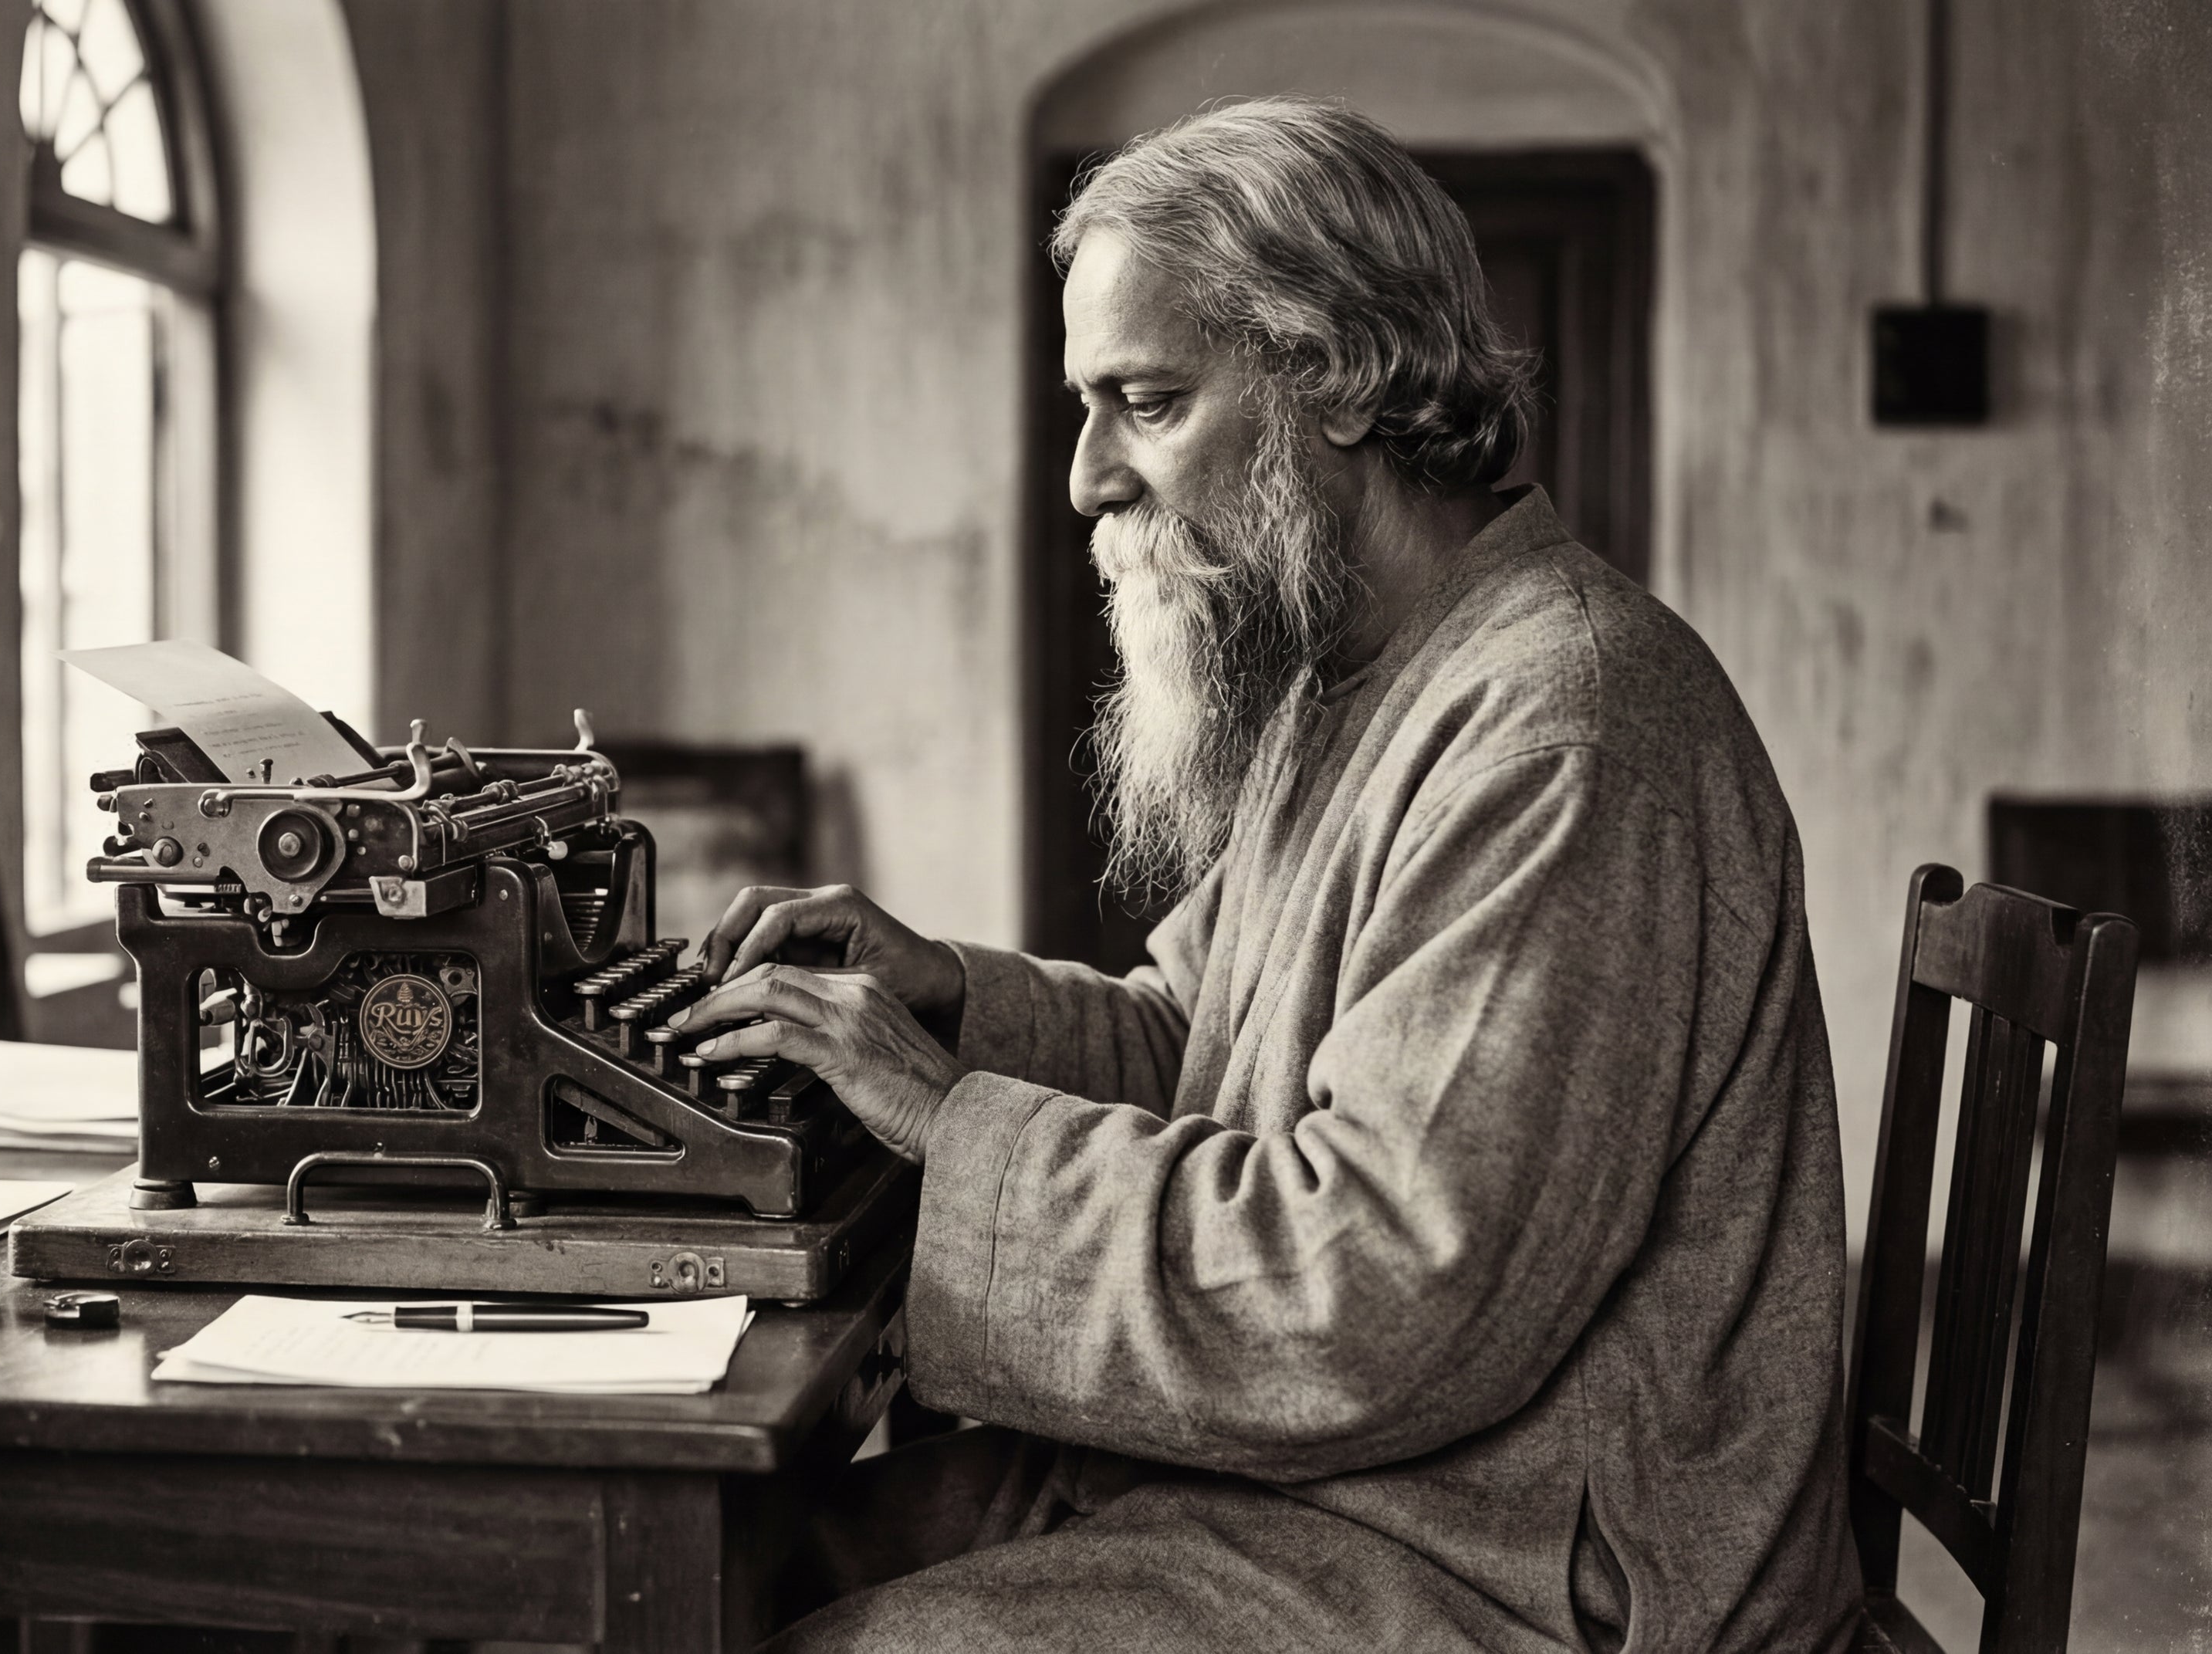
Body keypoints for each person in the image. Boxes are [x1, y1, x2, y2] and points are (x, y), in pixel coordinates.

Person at [669, 97, 1864, 1652]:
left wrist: (945, 1122)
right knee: (726, 1564)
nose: (1088, 475)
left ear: (1341, 377)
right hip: (1378, 1496)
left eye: (1147, 403)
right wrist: (949, 1001)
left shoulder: (1562, 724)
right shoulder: (1351, 677)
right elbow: (1204, 1044)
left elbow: (1371, 1294)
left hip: (1531, 1566)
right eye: (1088, 408)